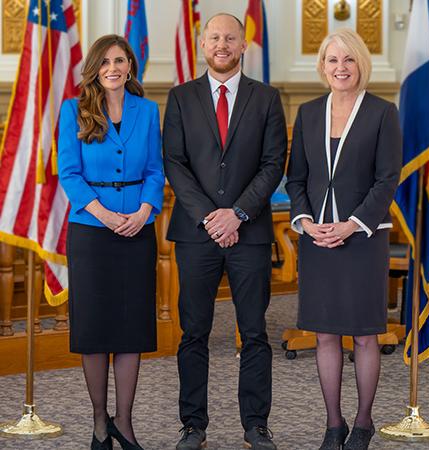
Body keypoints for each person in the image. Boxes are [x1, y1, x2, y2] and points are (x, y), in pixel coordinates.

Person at [163, 13, 287, 450]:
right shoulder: (180, 97)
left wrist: (237, 214)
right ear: (202, 44)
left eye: (230, 38)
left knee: (254, 332)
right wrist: (212, 217)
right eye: (214, 37)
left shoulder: (267, 97)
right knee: (193, 332)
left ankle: (256, 424)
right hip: (196, 234)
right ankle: (192, 425)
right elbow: (174, 163)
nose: (222, 44)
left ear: (242, 44)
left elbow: (274, 164)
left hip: (249, 233)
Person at [286, 28, 402, 450]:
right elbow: (296, 176)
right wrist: (304, 221)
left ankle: (364, 422)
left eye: (348, 60)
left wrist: (352, 224)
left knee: (366, 334)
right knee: (325, 334)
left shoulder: (382, 113)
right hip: (317, 240)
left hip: (362, 239)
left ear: (360, 65)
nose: (341, 68)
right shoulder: (309, 113)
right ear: (323, 66)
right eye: (333, 61)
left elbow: (387, 179)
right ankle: (333, 425)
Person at [58, 34, 165, 450]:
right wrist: (103, 213)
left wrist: (142, 212)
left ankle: (125, 422)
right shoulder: (74, 110)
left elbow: (155, 171)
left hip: (137, 230)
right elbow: (69, 173)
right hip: (90, 232)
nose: (113, 68)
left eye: (120, 60)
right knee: (95, 328)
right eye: (105, 62)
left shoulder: (148, 110)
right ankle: (100, 422)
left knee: (131, 328)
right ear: (94, 69)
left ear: (130, 66)